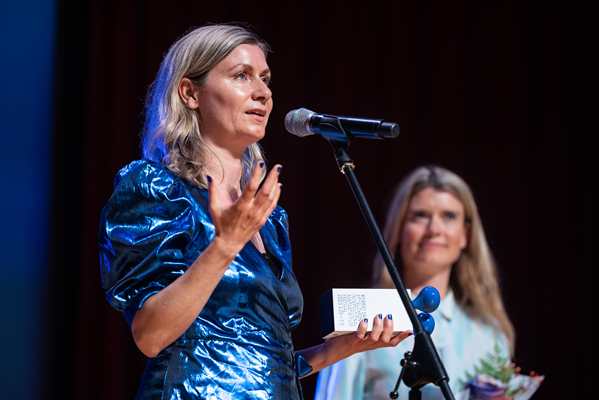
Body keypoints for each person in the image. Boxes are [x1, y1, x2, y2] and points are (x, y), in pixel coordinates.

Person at [98, 24, 411, 400]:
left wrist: (340, 348)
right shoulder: (156, 187)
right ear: (190, 93)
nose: (263, 92)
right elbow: (150, 335)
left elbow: (259, 359)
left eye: (265, 78)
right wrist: (224, 245)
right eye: (241, 76)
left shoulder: (269, 218)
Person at [315, 166, 515, 399]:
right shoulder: (362, 319)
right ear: (400, 228)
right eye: (420, 215)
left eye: (449, 216)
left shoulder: (489, 334)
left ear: (465, 235)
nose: (434, 229)